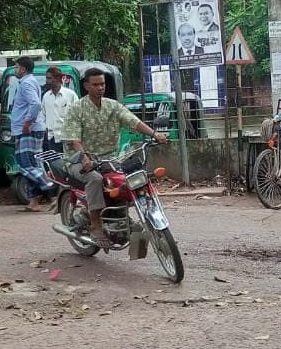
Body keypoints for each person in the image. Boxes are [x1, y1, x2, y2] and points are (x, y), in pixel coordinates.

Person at [59, 68, 168, 248]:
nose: (100, 87)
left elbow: (133, 121)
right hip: (78, 159)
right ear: (86, 85)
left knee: (128, 179)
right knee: (95, 179)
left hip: (108, 158)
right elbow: (74, 139)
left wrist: (155, 134)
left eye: (102, 84)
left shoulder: (112, 105)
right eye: (95, 84)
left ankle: (122, 217)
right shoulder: (76, 109)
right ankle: (95, 224)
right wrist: (84, 157)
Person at [10, 57, 54, 211]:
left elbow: (35, 104)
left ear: (22, 69)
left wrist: (27, 122)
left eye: (16, 67)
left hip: (28, 130)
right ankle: (33, 202)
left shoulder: (27, 83)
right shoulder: (29, 82)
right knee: (33, 164)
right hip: (29, 129)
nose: (15, 70)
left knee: (25, 164)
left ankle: (47, 182)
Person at [41, 66, 78, 154]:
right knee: (55, 164)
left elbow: (77, 114)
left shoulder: (70, 95)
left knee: (70, 164)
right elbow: (43, 115)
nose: (47, 81)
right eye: (46, 78)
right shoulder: (46, 96)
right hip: (52, 138)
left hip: (68, 137)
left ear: (58, 78)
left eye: (49, 78)